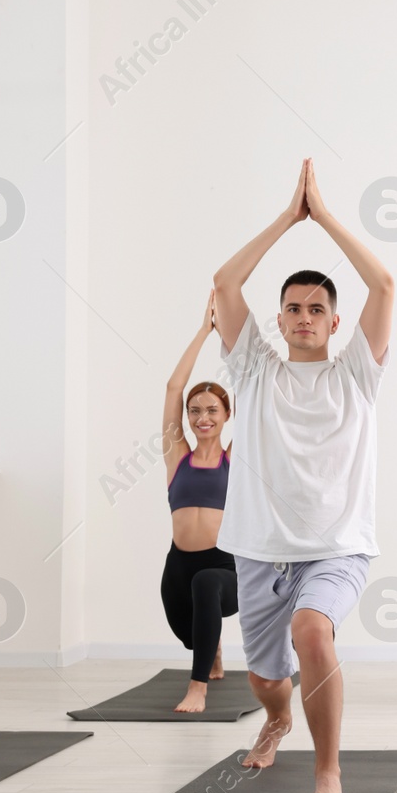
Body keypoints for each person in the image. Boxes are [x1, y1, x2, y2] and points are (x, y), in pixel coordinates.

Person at [213, 158, 392, 793]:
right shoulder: (254, 369)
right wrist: (288, 220)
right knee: (266, 677)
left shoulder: (356, 377)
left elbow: (385, 283)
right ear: (279, 320)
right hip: (259, 548)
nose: (305, 316)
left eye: (318, 308)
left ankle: (328, 771)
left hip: (337, 545)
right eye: (292, 308)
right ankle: (278, 716)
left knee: (313, 632)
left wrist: (326, 218)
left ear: (334, 322)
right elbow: (225, 282)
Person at [160, 291, 238, 713]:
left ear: (226, 415)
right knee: (189, 632)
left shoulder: (236, 460)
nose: (202, 418)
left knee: (206, 587)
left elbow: (258, 398)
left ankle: (198, 688)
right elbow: (174, 386)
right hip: (178, 563)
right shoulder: (177, 457)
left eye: (211, 410)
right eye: (195, 411)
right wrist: (203, 332)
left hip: (225, 566)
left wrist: (230, 342)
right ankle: (212, 649)